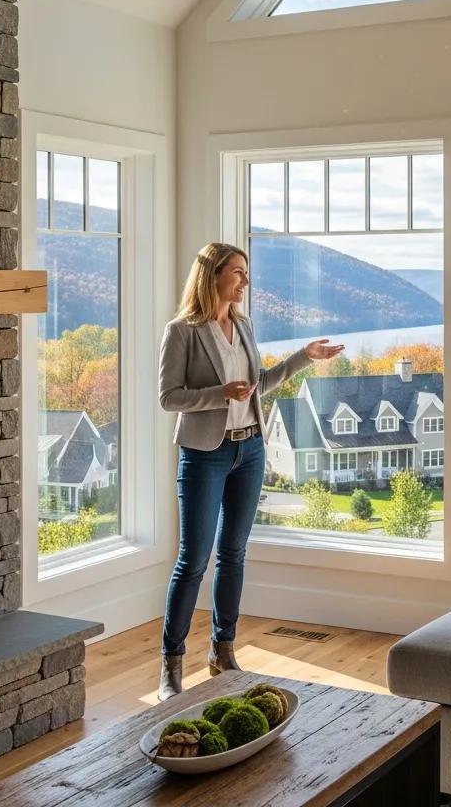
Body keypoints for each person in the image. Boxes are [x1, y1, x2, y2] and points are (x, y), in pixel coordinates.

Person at [157, 242, 343, 701]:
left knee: (233, 554)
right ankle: (171, 665)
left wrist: (304, 356)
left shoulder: (244, 326)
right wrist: (220, 393)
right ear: (213, 275)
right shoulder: (182, 331)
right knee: (192, 561)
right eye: (237, 272)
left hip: (250, 450)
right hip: (205, 454)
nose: (245, 280)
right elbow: (169, 397)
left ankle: (223, 651)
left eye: (246, 272)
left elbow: (260, 385)